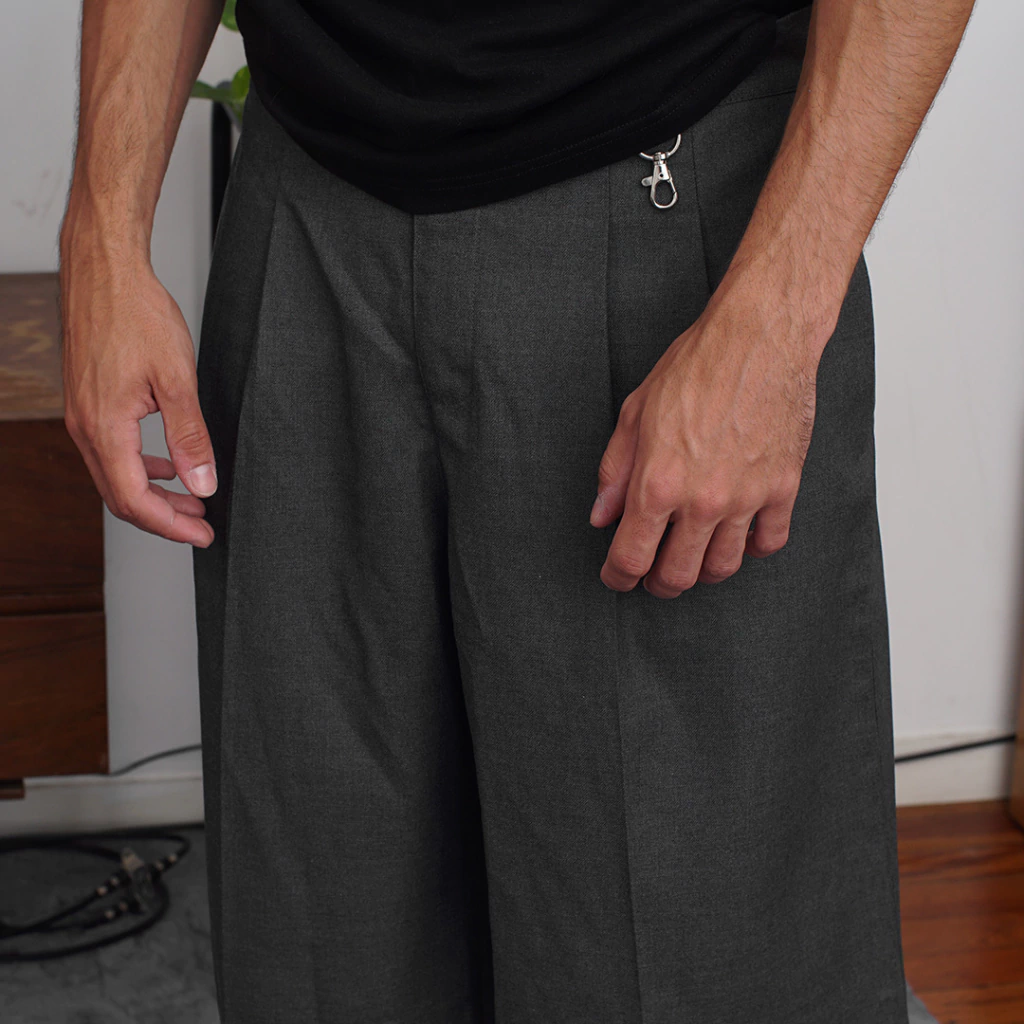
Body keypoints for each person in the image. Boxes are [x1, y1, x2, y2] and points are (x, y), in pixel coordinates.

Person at [57, 0, 975, 1021]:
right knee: (317, 937)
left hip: (666, 224)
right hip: (305, 207)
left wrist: (776, 324)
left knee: (698, 959)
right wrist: (101, 236)